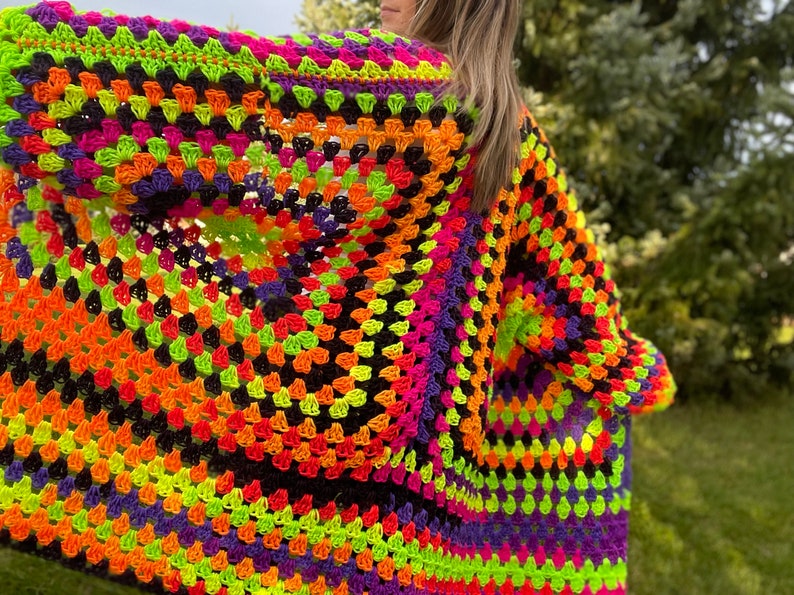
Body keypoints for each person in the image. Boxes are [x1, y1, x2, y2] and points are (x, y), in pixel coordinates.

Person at [0, 2, 674, 595]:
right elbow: (586, 329)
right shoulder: (518, 142)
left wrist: (21, 60)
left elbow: (221, 103)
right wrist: (631, 374)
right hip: (415, 518)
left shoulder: (398, 94)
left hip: (297, 500)